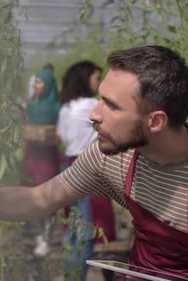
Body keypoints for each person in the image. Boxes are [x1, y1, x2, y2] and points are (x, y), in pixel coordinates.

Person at [0, 45, 188, 280]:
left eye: (111, 105)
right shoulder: (110, 156)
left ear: (155, 121)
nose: (94, 115)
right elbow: (38, 199)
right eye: (100, 99)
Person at [57, 61, 117, 281]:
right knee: (87, 231)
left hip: (68, 166)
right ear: (85, 80)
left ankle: (69, 275)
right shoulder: (92, 105)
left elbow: (61, 137)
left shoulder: (66, 107)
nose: (98, 83)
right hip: (87, 168)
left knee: (72, 228)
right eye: (96, 78)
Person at [21, 68, 60, 257]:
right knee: (32, 195)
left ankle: (47, 237)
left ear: (49, 85)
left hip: (47, 156)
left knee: (47, 196)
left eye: (40, 82)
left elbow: (61, 132)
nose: (36, 85)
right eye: (35, 82)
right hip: (32, 154)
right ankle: (39, 232)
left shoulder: (56, 108)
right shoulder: (32, 105)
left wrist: (53, 134)